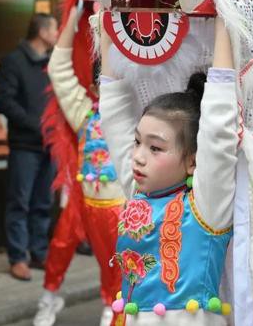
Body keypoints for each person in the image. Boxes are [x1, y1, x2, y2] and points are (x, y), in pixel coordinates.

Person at [99, 18, 237, 325]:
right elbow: (114, 113)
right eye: (137, 142)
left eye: (155, 148)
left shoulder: (205, 206)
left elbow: (219, 127)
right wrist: (108, 23)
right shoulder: (139, 192)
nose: (138, 156)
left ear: (192, 160)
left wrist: (226, 21)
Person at [33, 9, 124, 326]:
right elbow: (58, 70)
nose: (108, 88)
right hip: (86, 202)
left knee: (116, 264)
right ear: (95, 86)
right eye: (102, 83)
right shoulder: (85, 114)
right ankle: (50, 295)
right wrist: (73, 13)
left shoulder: (136, 120)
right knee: (61, 242)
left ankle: (112, 307)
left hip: (121, 207)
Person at [0, 13, 58, 281]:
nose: (57, 34)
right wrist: (37, 124)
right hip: (25, 144)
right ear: (42, 32)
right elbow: (4, 102)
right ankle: (18, 257)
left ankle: (39, 252)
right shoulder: (13, 61)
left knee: (43, 201)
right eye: (55, 29)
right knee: (19, 202)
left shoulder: (52, 63)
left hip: (51, 144)